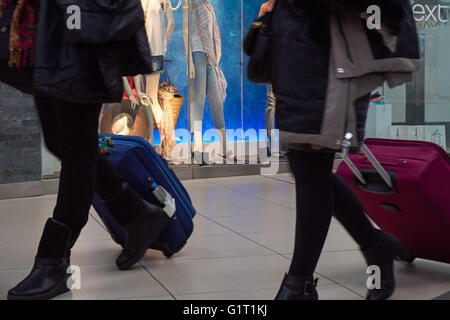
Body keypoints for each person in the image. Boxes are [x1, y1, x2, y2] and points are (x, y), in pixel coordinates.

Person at [0, 0, 169, 300]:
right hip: (47, 36)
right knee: (60, 141)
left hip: (81, 36)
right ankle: (136, 214)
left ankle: (53, 261)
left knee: (77, 149)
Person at [262, 0, 420, 300]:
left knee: (311, 166)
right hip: (299, 53)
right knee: (305, 165)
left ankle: (299, 284)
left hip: (335, 56)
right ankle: (375, 245)